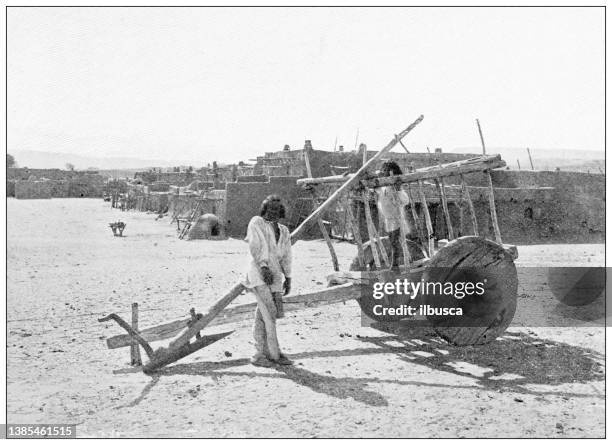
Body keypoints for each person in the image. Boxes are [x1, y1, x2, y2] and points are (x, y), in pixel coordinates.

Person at [244, 195, 293, 367]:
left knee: (263, 315)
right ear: (265, 209)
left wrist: (288, 277)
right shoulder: (257, 223)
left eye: (276, 209)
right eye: (270, 209)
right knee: (269, 313)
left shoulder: (284, 231)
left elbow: (286, 255)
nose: (273, 212)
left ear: (281, 211)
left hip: (275, 278)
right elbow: (257, 246)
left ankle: (260, 354)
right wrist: (264, 267)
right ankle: (273, 354)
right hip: (259, 274)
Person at [376, 161, 412, 271]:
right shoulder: (383, 187)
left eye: (386, 170)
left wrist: (398, 189)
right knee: (392, 242)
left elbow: (405, 200)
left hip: (396, 218)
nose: (384, 172)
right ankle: (395, 264)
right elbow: (377, 189)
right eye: (384, 170)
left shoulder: (395, 187)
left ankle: (395, 265)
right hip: (389, 219)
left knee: (395, 243)